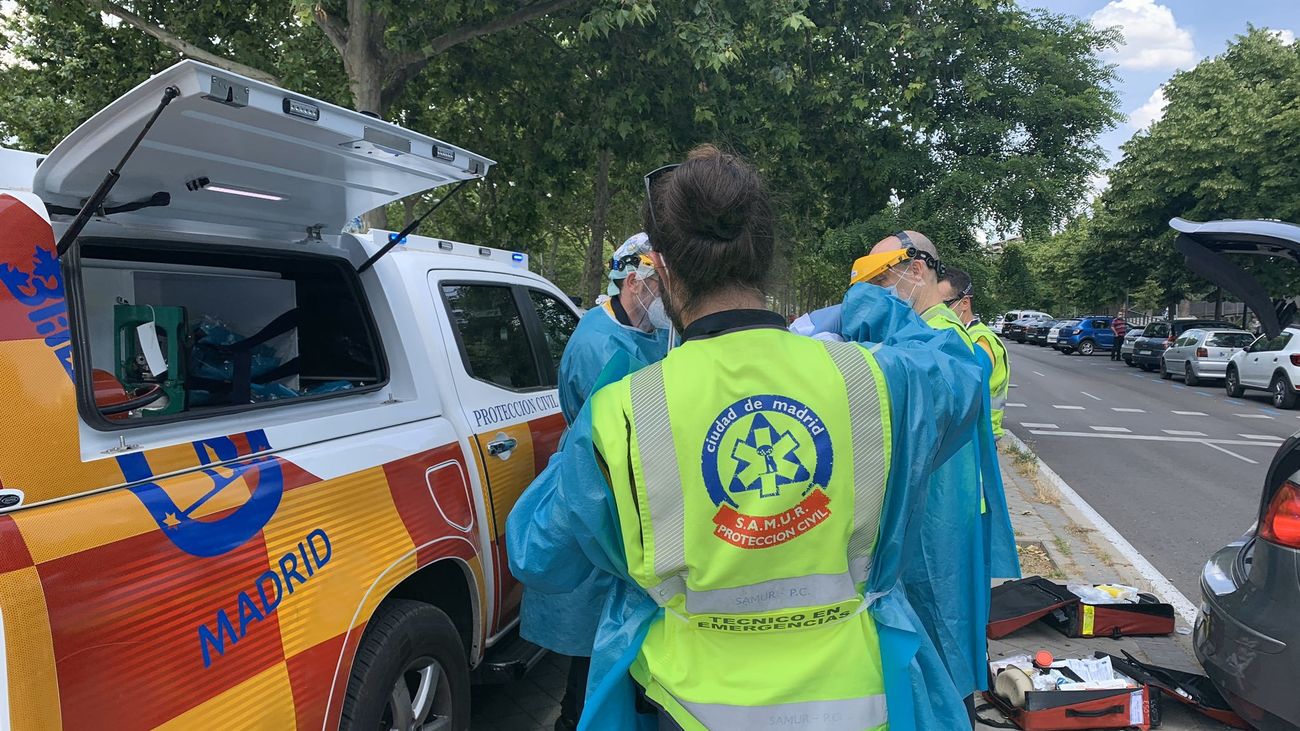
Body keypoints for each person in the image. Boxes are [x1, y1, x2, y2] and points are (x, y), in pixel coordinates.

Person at [508, 145, 988, 730]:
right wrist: (875, 306)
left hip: (686, 709)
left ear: (660, 268)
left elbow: (539, 553)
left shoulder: (624, 411)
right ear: (764, 258)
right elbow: (963, 372)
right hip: (858, 702)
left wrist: (587, 438)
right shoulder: (881, 381)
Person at [522, 232, 672, 731]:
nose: (667, 304)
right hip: (601, 492)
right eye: (662, 288)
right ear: (635, 281)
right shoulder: (596, 343)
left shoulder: (647, 332)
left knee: (619, 646)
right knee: (593, 656)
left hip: (630, 493)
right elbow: (612, 441)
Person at [940, 267, 1010, 441]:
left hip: (980, 438)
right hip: (964, 436)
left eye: (944, 305)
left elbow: (962, 385)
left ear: (964, 303)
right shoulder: (953, 335)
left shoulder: (982, 340)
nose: (938, 312)